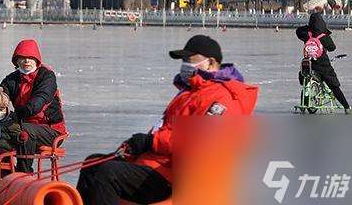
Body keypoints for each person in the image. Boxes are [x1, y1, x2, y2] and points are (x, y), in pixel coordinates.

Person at [76, 35, 258, 205]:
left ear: (210, 63)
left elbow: (199, 144)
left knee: (107, 174)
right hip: (156, 164)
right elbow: (166, 128)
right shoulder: (191, 92)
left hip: (173, 175)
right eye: (183, 61)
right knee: (92, 164)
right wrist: (137, 145)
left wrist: (151, 142)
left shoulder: (222, 99)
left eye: (189, 60)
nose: (184, 65)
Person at [0, 39, 67, 173]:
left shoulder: (46, 77)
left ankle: (23, 173)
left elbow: (41, 98)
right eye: (22, 58)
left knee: (22, 130)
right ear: (17, 61)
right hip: (21, 126)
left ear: (36, 60)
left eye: (30, 58)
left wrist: (25, 111)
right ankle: (6, 177)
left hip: (51, 130)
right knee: (2, 131)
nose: (26, 61)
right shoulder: (13, 79)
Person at [296, 12, 350, 113]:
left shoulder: (306, 33)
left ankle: (305, 103)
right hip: (323, 65)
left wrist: (309, 27)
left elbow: (298, 31)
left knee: (306, 81)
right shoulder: (323, 35)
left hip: (308, 64)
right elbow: (332, 48)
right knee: (334, 86)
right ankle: (346, 107)